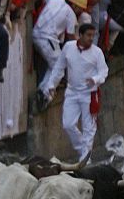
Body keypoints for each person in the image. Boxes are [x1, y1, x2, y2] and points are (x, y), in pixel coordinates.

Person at [44, 24, 108, 161]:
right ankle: (83, 151)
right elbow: (59, 67)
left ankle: (85, 157)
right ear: (80, 35)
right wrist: (51, 84)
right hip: (72, 92)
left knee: (88, 127)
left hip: (89, 93)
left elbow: (104, 71)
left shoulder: (97, 52)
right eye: (88, 35)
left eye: (93, 35)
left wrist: (95, 79)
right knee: (68, 124)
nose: (91, 38)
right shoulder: (68, 47)